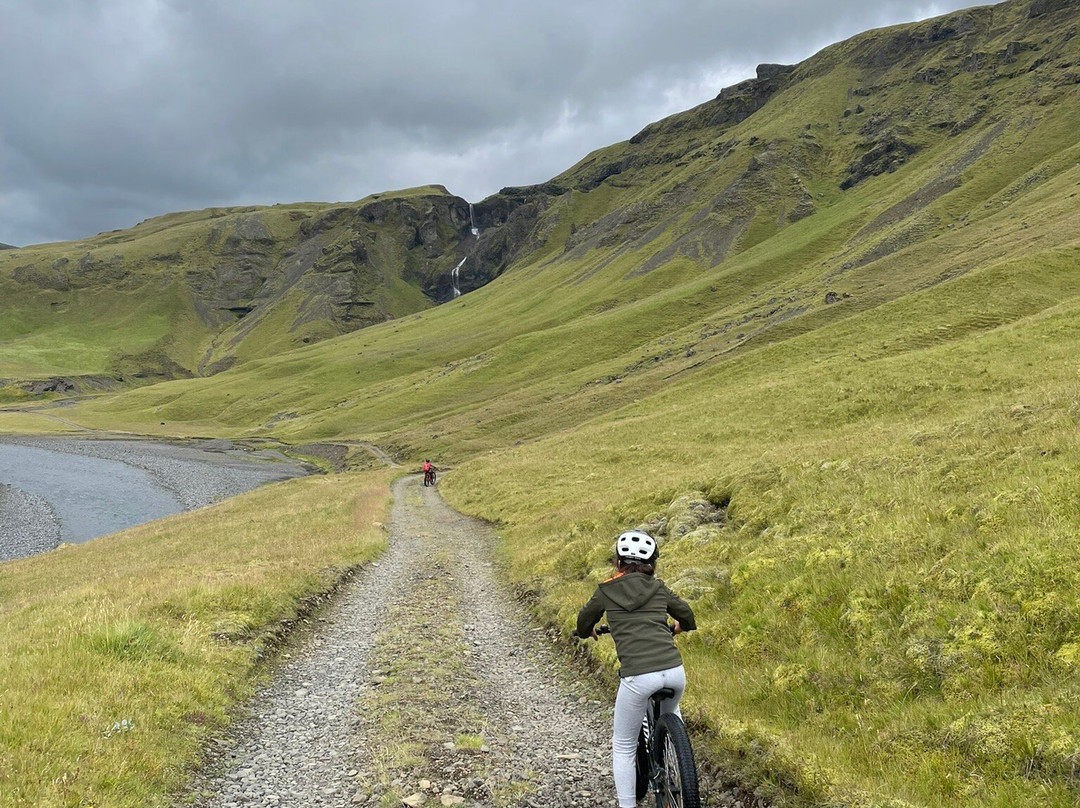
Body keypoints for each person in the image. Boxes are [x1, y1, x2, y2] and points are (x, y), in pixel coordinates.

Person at [576, 529, 696, 808]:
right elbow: (686, 614)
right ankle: (677, 761)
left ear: (618, 562)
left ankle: (628, 805)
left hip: (638, 676)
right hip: (674, 671)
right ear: (652, 564)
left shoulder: (605, 590)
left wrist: (588, 631)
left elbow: (583, 622)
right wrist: (680, 626)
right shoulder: (659, 587)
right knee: (672, 712)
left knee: (624, 745)